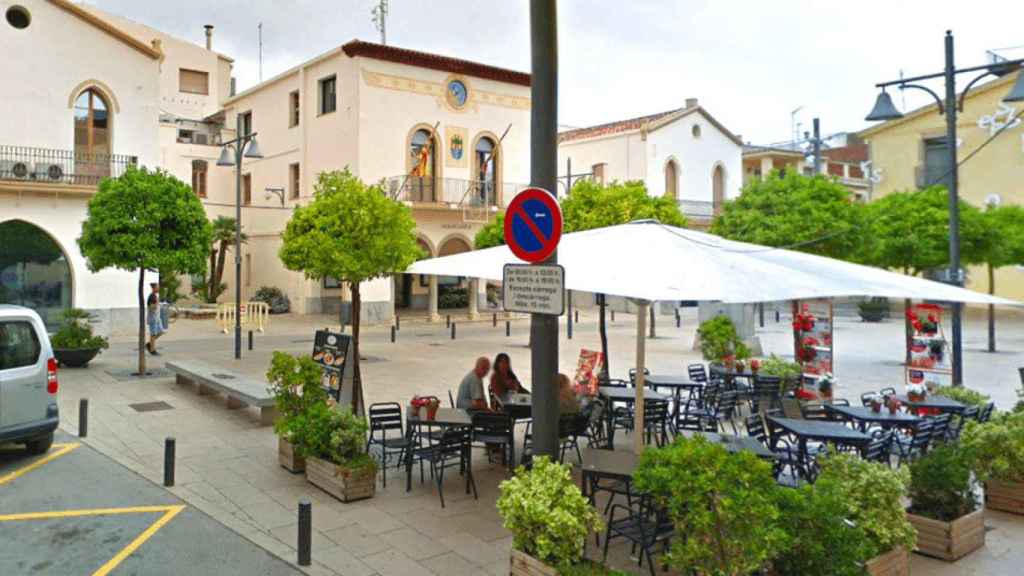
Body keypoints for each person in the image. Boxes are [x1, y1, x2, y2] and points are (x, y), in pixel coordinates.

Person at [146, 282, 165, 355]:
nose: (159, 288)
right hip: (153, 318)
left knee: (161, 331)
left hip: (157, 318)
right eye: (157, 287)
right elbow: (151, 308)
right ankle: (152, 350)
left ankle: (149, 344)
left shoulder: (155, 296)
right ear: (154, 288)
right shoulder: (151, 297)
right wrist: (157, 303)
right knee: (153, 334)